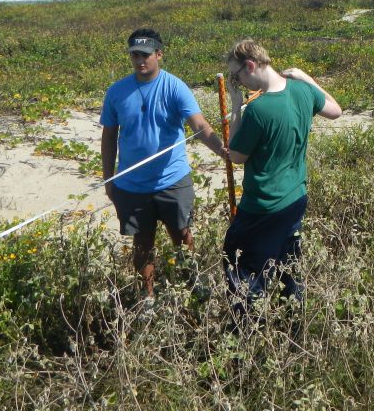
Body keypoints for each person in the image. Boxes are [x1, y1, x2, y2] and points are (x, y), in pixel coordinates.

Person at [216, 39, 342, 329]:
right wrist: (308, 79)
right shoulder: (301, 90)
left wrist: (236, 106)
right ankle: (294, 327)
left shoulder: (258, 110)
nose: (236, 82)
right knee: (289, 266)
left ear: (250, 66)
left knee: (241, 268)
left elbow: (235, 155)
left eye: (236, 76)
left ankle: (247, 334)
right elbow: (336, 111)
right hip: (296, 196)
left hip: (262, 205)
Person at [100, 28, 226, 300]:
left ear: (159, 54)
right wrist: (108, 179)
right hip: (132, 184)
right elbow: (109, 135)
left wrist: (222, 150)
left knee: (182, 235)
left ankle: (194, 286)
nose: (139, 60)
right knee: (142, 243)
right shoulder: (116, 92)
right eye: (134, 54)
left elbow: (199, 125)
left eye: (145, 54)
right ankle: (147, 298)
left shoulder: (175, 87)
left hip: (172, 179)